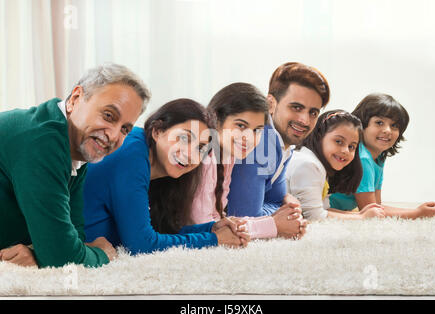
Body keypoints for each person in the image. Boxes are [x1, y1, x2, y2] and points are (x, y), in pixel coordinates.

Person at [0, 63, 150, 268]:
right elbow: (63, 259)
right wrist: (103, 254)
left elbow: (73, 236)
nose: (114, 135)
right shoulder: (43, 141)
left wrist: (38, 251)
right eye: (108, 115)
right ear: (75, 99)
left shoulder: (77, 153)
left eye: (125, 129)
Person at [82, 98, 249, 256]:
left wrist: (211, 229)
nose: (190, 154)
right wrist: (215, 240)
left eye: (200, 148)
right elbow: (142, 244)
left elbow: (158, 231)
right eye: (184, 138)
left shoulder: (150, 161)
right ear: (157, 131)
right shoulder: (132, 153)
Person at [189, 82, 307, 240]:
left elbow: (220, 219)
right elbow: (207, 229)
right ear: (216, 118)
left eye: (257, 130)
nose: (249, 138)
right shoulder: (205, 157)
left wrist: (286, 219)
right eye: (240, 125)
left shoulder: (228, 157)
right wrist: (275, 225)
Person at [226, 62, 330, 218]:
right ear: (270, 104)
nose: (305, 121)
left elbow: (275, 199)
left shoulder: (283, 145)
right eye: (296, 107)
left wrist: (285, 205)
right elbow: (246, 217)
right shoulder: (258, 143)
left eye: (313, 113)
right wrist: (284, 211)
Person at [329, 93, 435, 219]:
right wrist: (416, 214)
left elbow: (377, 205)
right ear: (361, 126)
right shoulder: (362, 158)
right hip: (323, 209)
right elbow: (371, 210)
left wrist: (417, 210)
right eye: (379, 122)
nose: (387, 130)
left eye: (394, 125)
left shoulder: (379, 157)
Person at [286, 110, 386, 220]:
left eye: (351, 147)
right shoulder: (308, 165)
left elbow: (323, 208)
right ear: (320, 136)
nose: (345, 151)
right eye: (338, 141)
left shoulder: (319, 164)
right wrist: (362, 217)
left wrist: (359, 214)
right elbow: (313, 216)